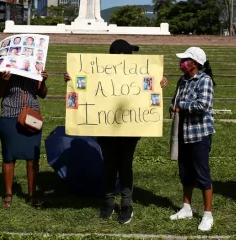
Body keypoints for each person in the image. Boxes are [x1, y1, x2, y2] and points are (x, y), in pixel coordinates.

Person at [64, 39, 168, 224]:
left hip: (130, 129)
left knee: (125, 165)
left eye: (124, 55)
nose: (121, 59)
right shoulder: (102, 71)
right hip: (106, 128)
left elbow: (148, 91)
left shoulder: (138, 73)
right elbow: (86, 84)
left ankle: (126, 204)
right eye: (117, 55)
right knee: (110, 166)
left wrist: (159, 84)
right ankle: (109, 202)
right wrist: (72, 79)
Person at [168, 47, 215, 232]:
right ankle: (186, 207)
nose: (181, 63)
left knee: (202, 173)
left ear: (195, 63)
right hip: (182, 133)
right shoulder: (182, 80)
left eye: (185, 60)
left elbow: (203, 105)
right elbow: (175, 100)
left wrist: (181, 106)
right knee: (185, 172)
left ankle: (207, 214)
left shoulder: (205, 80)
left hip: (199, 134)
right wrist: (172, 106)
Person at [0, 68, 48, 208]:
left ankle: (31, 195)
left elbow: (43, 94)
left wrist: (43, 80)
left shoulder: (36, 69)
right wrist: (4, 81)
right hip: (10, 116)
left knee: (32, 157)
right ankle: (8, 194)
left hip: (32, 118)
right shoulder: (4, 71)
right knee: (9, 156)